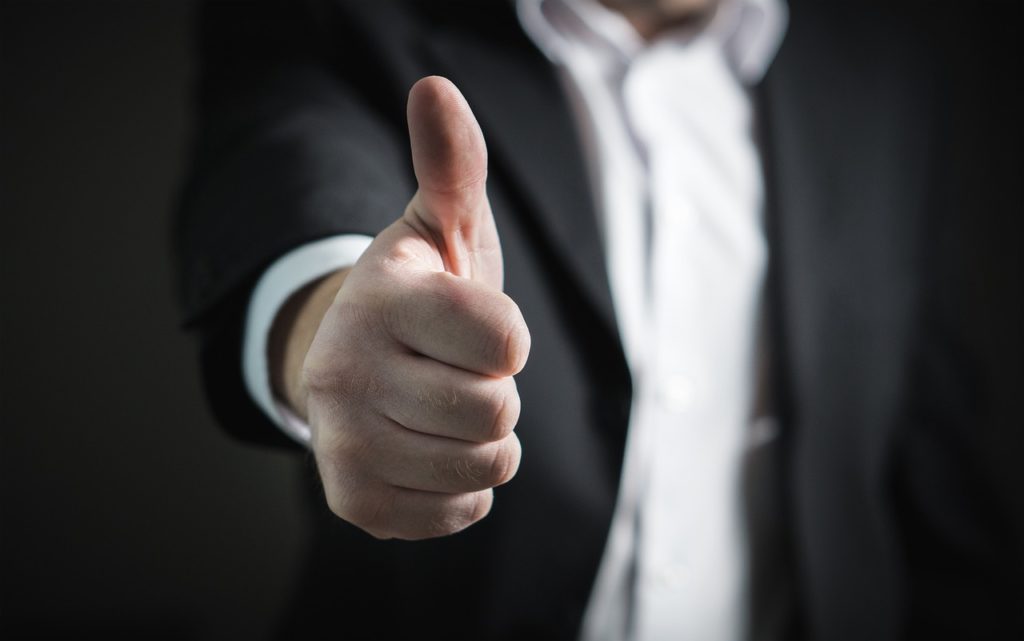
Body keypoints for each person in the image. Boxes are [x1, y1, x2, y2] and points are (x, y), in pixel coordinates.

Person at [175, 1, 1022, 639]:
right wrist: (337, 336)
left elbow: (933, 472)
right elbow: (290, 184)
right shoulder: (352, 19)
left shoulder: (888, 60)